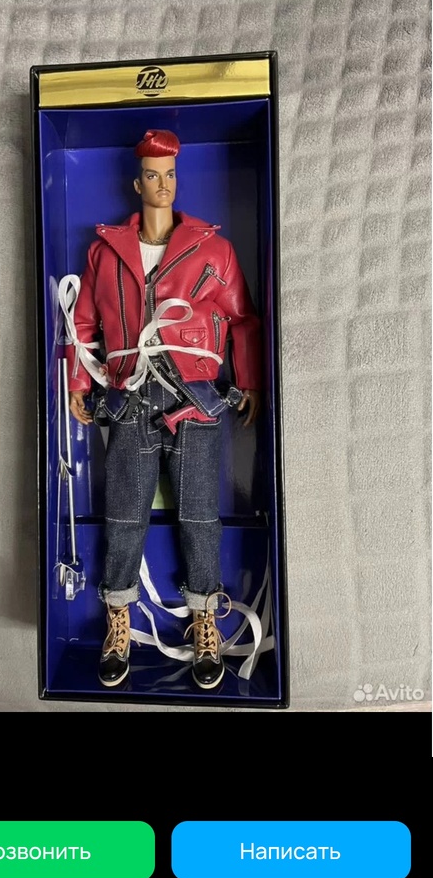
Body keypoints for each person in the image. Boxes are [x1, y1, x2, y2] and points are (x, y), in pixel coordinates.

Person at [67, 129, 261, 690]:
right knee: (124, 514)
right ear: (137, 183)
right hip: (128, 396)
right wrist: (78, 381)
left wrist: (249, 380)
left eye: (170, 174)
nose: (163, 185)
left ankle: (205, 618)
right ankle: (118, 619)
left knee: (199, 515)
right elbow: (85, 323)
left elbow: (243, 319)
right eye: (152, 175)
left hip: (195, 398)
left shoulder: (213, 250)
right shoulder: (105, 252)